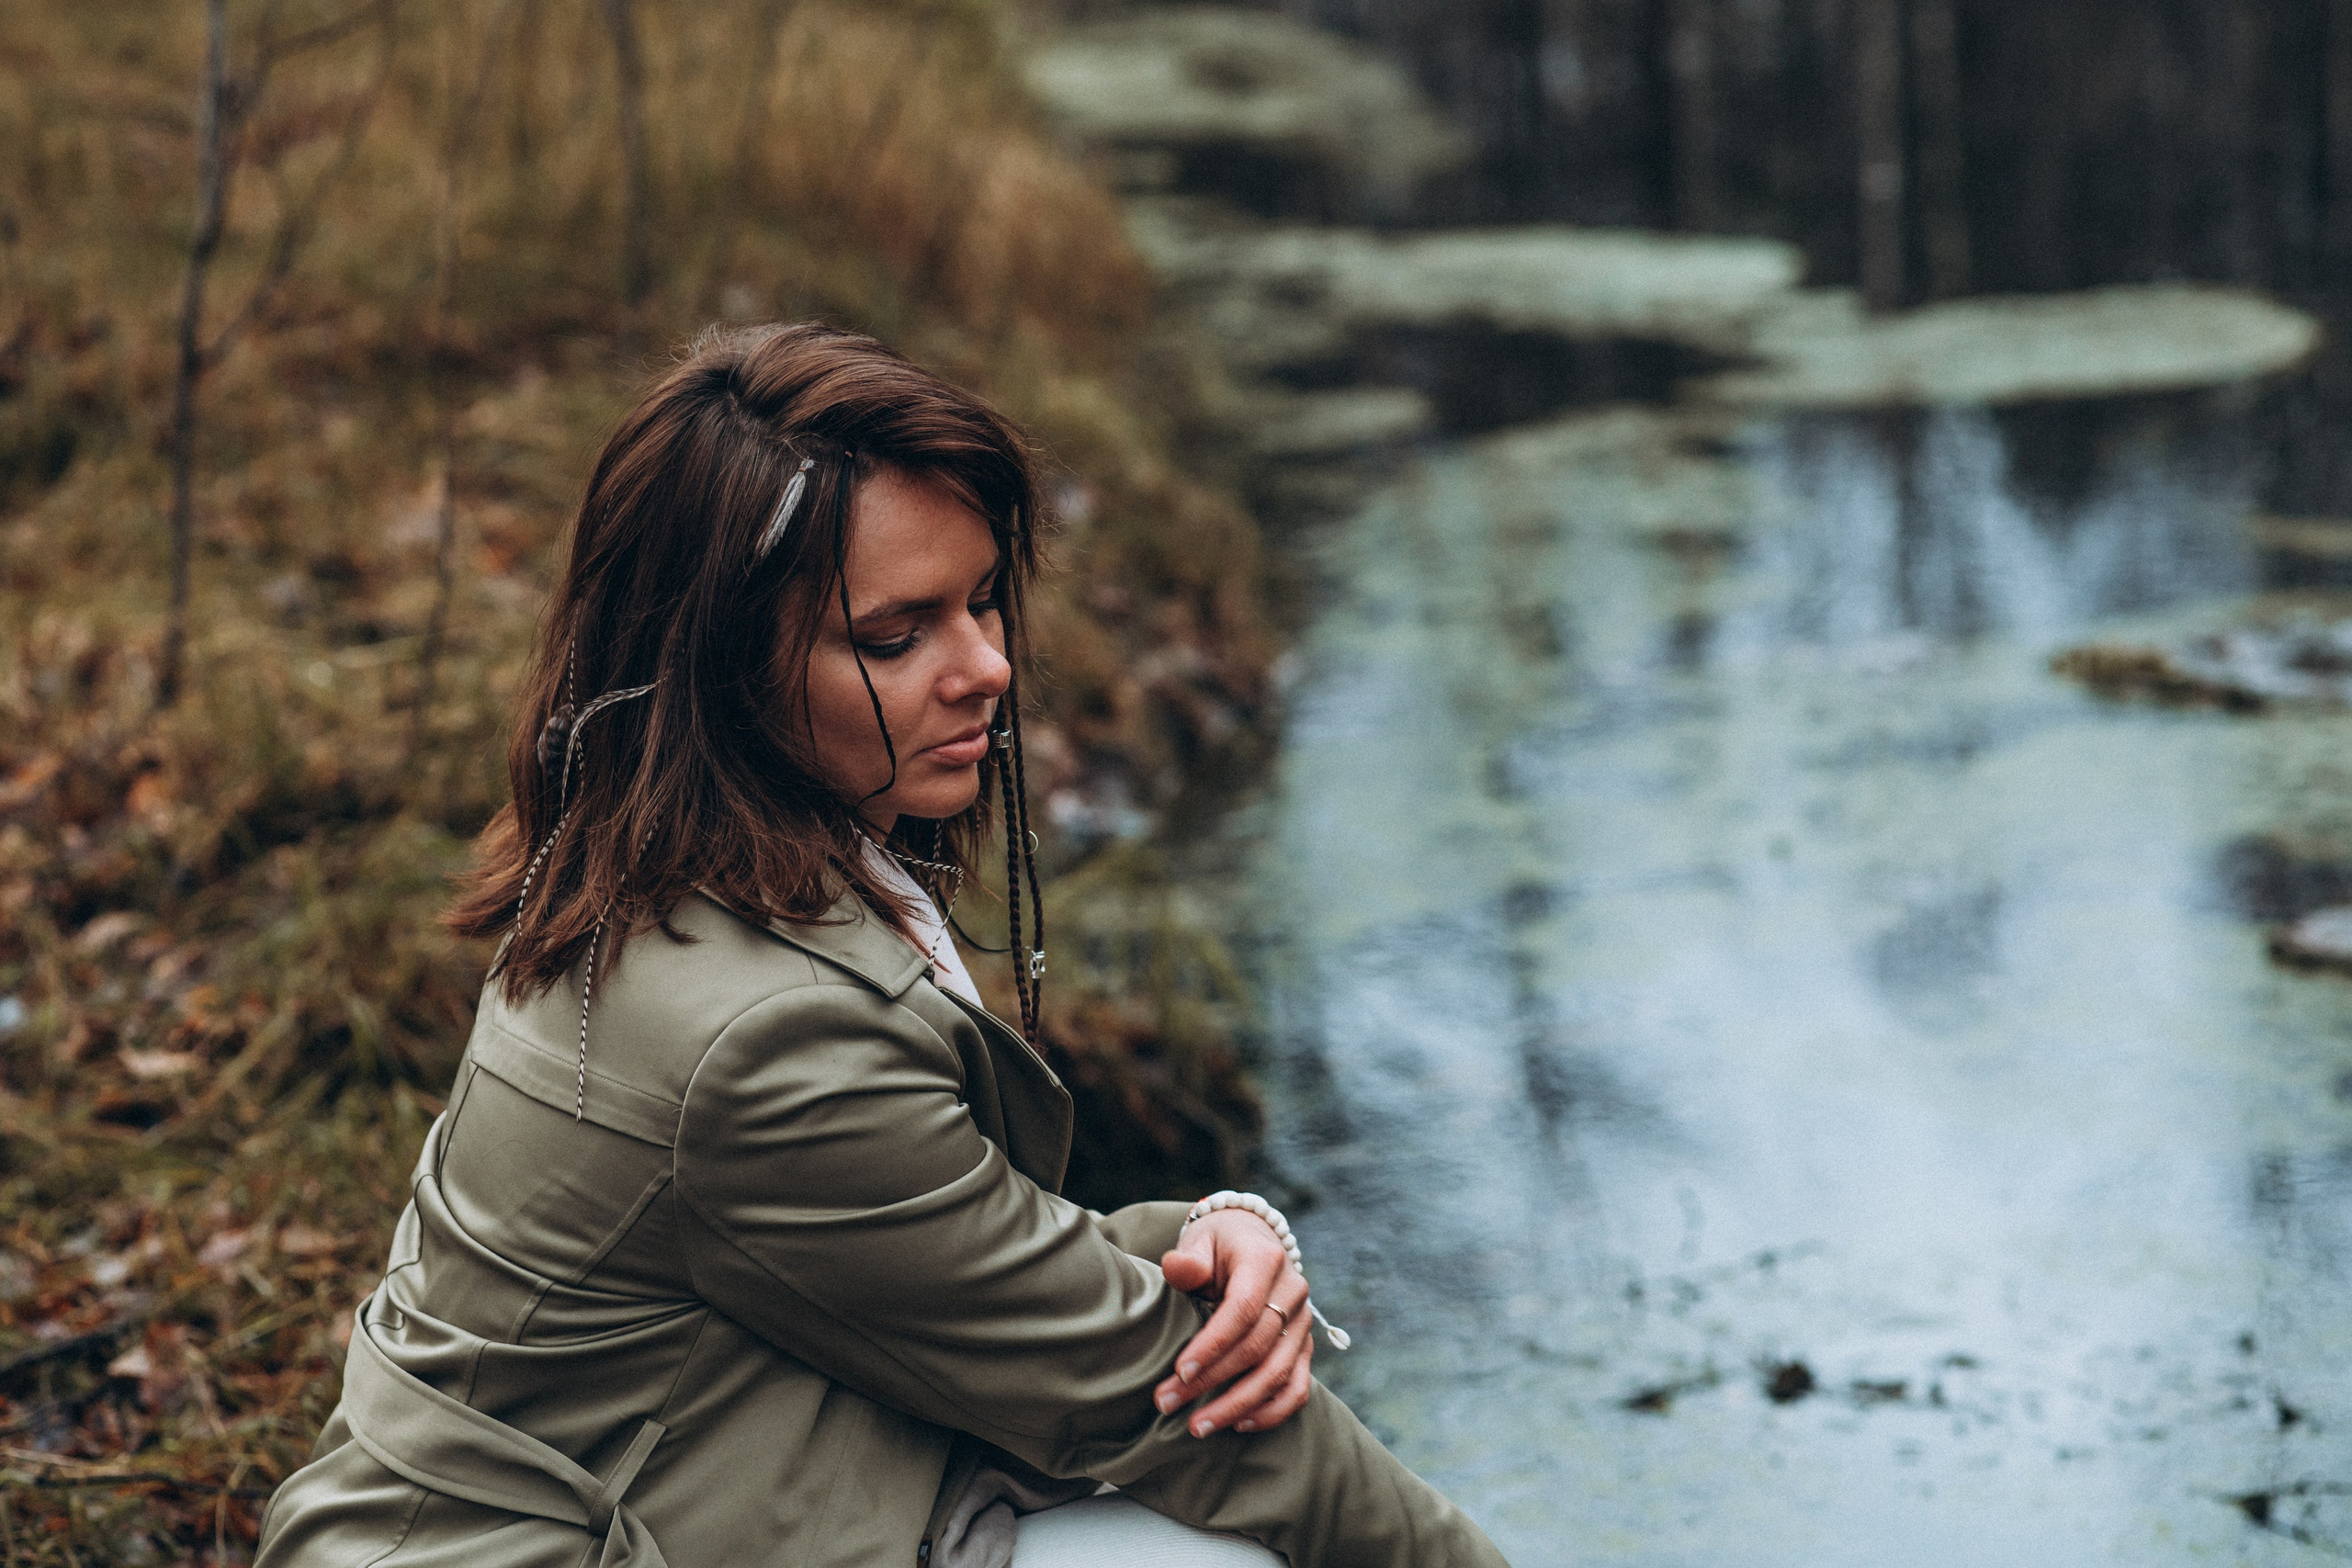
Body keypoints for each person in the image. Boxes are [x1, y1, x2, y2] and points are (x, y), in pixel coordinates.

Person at [254, 323, 1510, 1568]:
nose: (989, 667)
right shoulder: (757, 1037)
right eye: (895, 637)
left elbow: (915, 1248)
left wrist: (1209, 1230)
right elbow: (1162, 1399)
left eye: (979, 602)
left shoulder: (666, 868)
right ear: (722, 669)